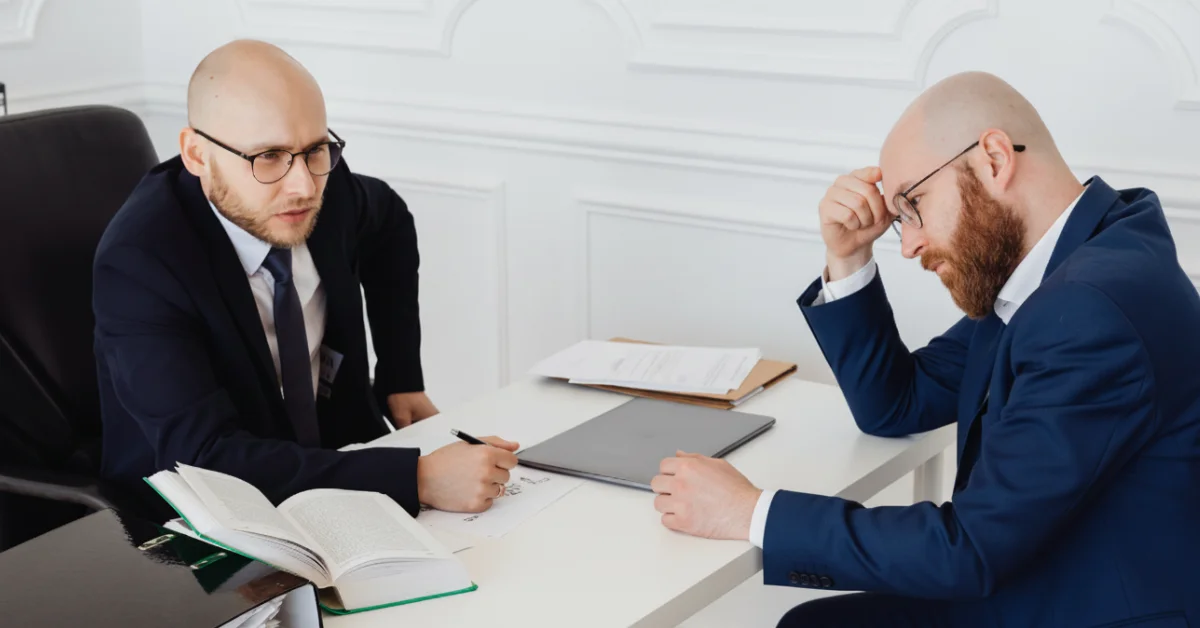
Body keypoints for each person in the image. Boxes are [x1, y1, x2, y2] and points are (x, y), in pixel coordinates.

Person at [650, 71, 1200, 626]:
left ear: (993, 158)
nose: (909, 244)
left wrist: (750, 512)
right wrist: (848, 257)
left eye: (912, 204)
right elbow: (896, 403)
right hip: (1053, 572)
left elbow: (972, 551)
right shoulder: (1068, 262)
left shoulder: (1087, 309)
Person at [94, 40, 518, 521]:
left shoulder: (324, 184)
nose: (302, 186)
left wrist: (400, 376)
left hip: (339, 469)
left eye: (315, 149)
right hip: (203, 522)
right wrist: (418, 479)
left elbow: (390, 223)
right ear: (196, 155)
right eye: (268, 156)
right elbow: (204, 460)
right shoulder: (141, 263)